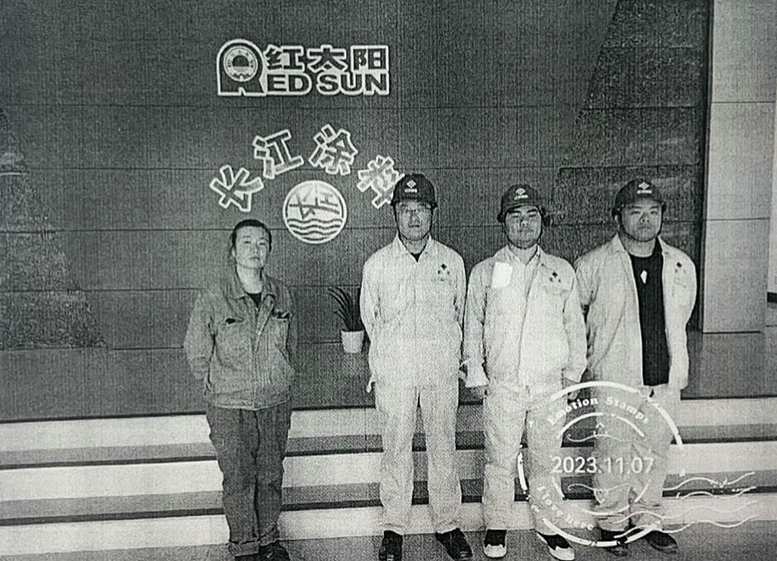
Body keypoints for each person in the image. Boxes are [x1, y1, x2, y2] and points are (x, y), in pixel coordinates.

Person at [462, 184, 586, 561]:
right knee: (499, 459)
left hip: (549, 385)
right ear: (503, 223)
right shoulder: (487, 271)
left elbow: (575, 327)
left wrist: (573, 374)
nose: (524, 223)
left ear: (542, 221)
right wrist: (476, 372)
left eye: (531, 216)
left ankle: (549, 526)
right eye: (515, 216)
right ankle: (496, 525)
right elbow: (473, 324)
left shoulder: (561, 271)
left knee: (546, 460)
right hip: (504, 385)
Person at [575, 179, 697, 556]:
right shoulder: (593, 265)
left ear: (662, 216)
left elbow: (683, 314)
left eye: (653, 211)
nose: (645, 219)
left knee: (654, 452)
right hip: (615, 377)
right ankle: (612, 523)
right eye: (635, 211)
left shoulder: (680, 264)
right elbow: (575, 320)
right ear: (617, 217)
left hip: (664, 379)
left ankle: (646, 519)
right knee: (612, 451)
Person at [360, 173, 472, 561]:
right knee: (396, 449)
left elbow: (459, 313)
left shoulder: (451, 262)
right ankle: (394, 527)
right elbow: (371, 319)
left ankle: (448, 524)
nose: (413, 217)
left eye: (421, 209)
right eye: (405, 209)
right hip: (395, 373)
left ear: (432, 213)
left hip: (440, 372)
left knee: (443, 447)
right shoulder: (377, 265)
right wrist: (391, 357)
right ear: (395, 213)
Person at [184, 219, 297, 561]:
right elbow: (196, 350)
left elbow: (291, 346)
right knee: (238, 478)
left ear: (270, 250)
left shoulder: (282, 293)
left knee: (270, 475)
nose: (255, 249)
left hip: (273, 403)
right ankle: (245, 547)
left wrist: (281, 378)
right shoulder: (214, 296)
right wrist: (219, 387)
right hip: (229, 407)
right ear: (232, 250)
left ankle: (269, 541)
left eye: (262, 243)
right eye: (247, 242)